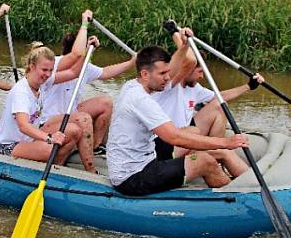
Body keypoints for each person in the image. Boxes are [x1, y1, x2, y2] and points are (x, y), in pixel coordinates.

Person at [106, 45, 251, 196]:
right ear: (145, 74)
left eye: (167, 72)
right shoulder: (141, 100)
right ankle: (236, 202)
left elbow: (174, 66)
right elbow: (174, 137)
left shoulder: (132, 85)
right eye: (162, 73)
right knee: (204, 161)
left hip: (147, 159)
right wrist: (226, 143)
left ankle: (250, 183)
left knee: (196, 136)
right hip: (132, 177)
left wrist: (184, 45)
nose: (168, 78)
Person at [153, 23, 265, 159]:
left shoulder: (195, 88)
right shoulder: (170, 83)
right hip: (171, 139)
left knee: (220, 107)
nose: (202, 76)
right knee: (194, 129)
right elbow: (189, 60)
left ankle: (214, 154)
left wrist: (248, 86)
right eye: (200, 72)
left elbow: (219, 97)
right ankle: (212, 155)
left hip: (188, 133)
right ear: (188, 70)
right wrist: (177, 35)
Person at [0, 43, 96, 171]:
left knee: (74, 130)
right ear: (32, 66)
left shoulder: (43, 83)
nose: (48, 74)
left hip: (29, 139)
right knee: (50, 149)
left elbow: (73, 72)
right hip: (9, 145)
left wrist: (87, 53)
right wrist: (49, 138)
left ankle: (55, 169)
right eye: (44, 70)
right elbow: (23, 126)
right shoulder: (21, 92)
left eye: (50, 70)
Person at [39, 12, 137, 157]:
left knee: (105, 102)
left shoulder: (85, 67)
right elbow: (76, 55)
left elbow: (105, 72)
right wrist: (84, 23)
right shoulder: (55, 64)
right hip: (50, 120)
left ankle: (96, 147)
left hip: (72, 113)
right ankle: (89, 166)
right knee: (84, 117)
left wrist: (131, 63)